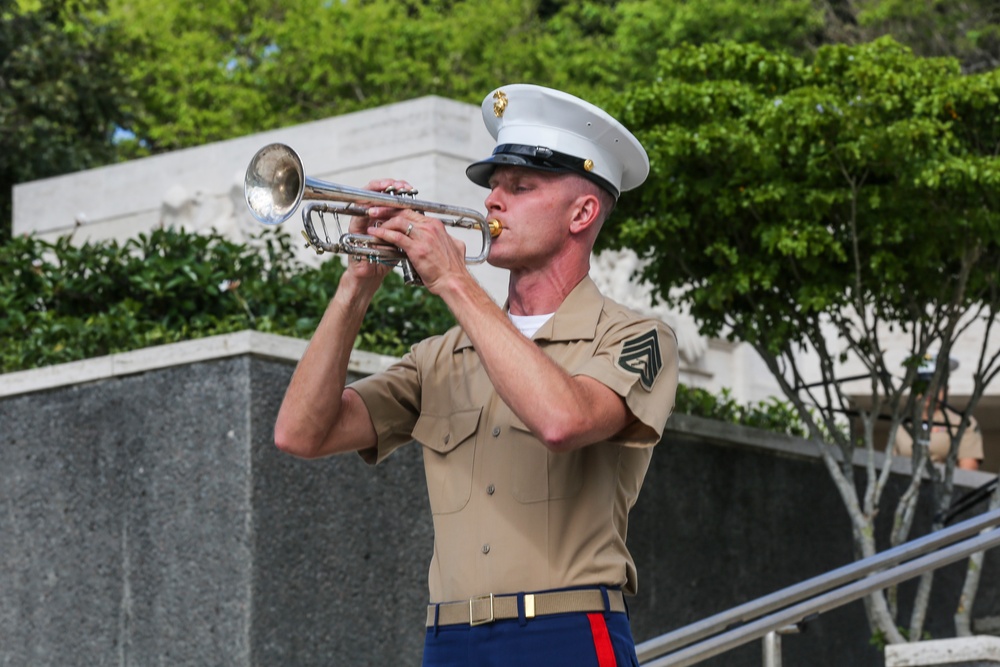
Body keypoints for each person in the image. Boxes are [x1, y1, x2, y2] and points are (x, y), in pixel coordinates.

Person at [273, 83, 679, 666]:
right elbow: (300, 434)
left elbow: (563, 421)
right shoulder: (438, 356)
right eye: (492, 186)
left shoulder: (635, 337)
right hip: (449, 641)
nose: (493, 201)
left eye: (520, 187)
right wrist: (355, 284)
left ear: (582, 212)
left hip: (565, 633)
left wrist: (456, 283)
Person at [894, 354, 983, 471]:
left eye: (936, 386)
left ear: (946, 388)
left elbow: (968, 474)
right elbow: (892, 466)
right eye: (923, 386)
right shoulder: (902, 424)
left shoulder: (962, 423)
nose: (929, 392)